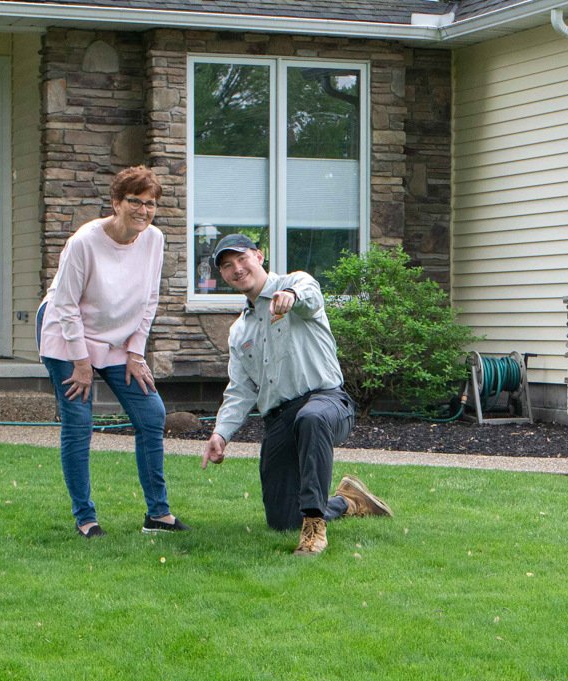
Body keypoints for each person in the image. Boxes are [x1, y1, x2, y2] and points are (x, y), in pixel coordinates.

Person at [200, 234, 392, 555]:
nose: (237, 269)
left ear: (259, 256)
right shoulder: (240, 331)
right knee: (282, 520)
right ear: (223, 276)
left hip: (327, 401)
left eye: (242, 259)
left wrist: (290, 295)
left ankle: (315, 526)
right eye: (227, 266)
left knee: (311, 418)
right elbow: (241, 389)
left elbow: (310, 295)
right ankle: (347, 501)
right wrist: (221, 433)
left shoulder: (294, 283)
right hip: (279, 420)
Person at [37, 165, 188, 539]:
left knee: (151, 414)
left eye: (150, 203)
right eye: (135, 201)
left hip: (118, 339)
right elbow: (66, 306)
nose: (143, 210)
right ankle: (85, 518)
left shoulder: (154, 239)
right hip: (67, 335)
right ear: (116, 203)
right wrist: (81, 362)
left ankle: (158, 514)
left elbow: (150, 299)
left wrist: (136, 353)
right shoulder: (84, 242)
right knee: (79, 422)